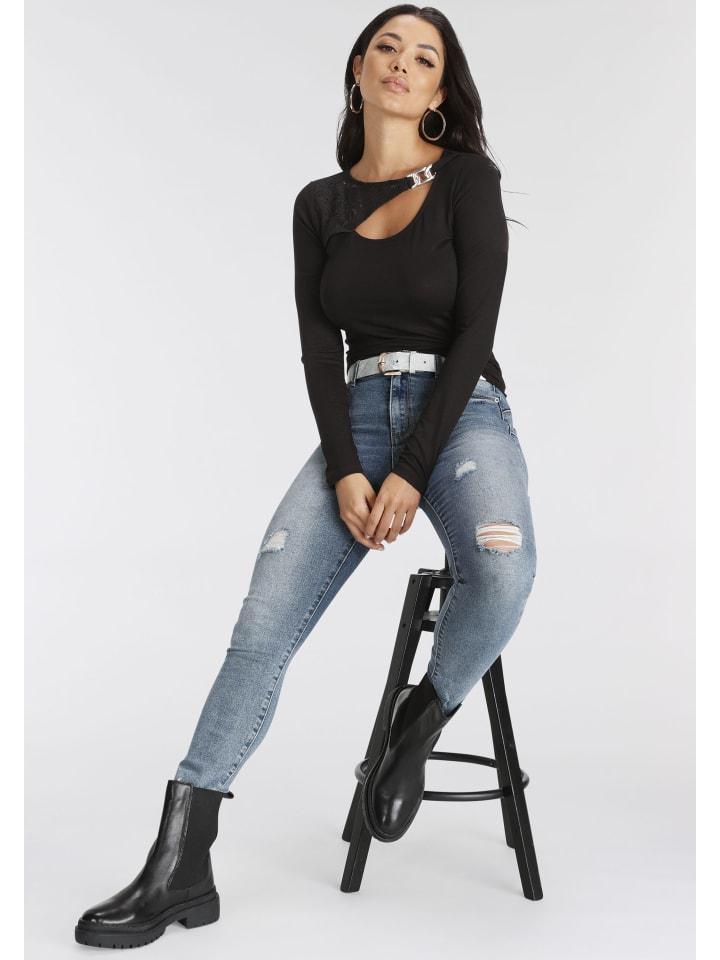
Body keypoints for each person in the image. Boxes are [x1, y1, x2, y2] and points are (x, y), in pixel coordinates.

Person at [74, 6, 537, 949]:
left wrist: (413, 469)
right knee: (260, 628)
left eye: (424, 57)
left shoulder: (467, 181)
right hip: (354, 418)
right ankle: (181, 861)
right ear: (359, 70)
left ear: (440, 89)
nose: (402, 64)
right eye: (386, 49)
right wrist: (346, 469)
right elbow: (319, 351)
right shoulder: (318, 205)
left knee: (502, 569)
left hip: (462, 414)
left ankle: (419, 717)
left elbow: (476, 333)